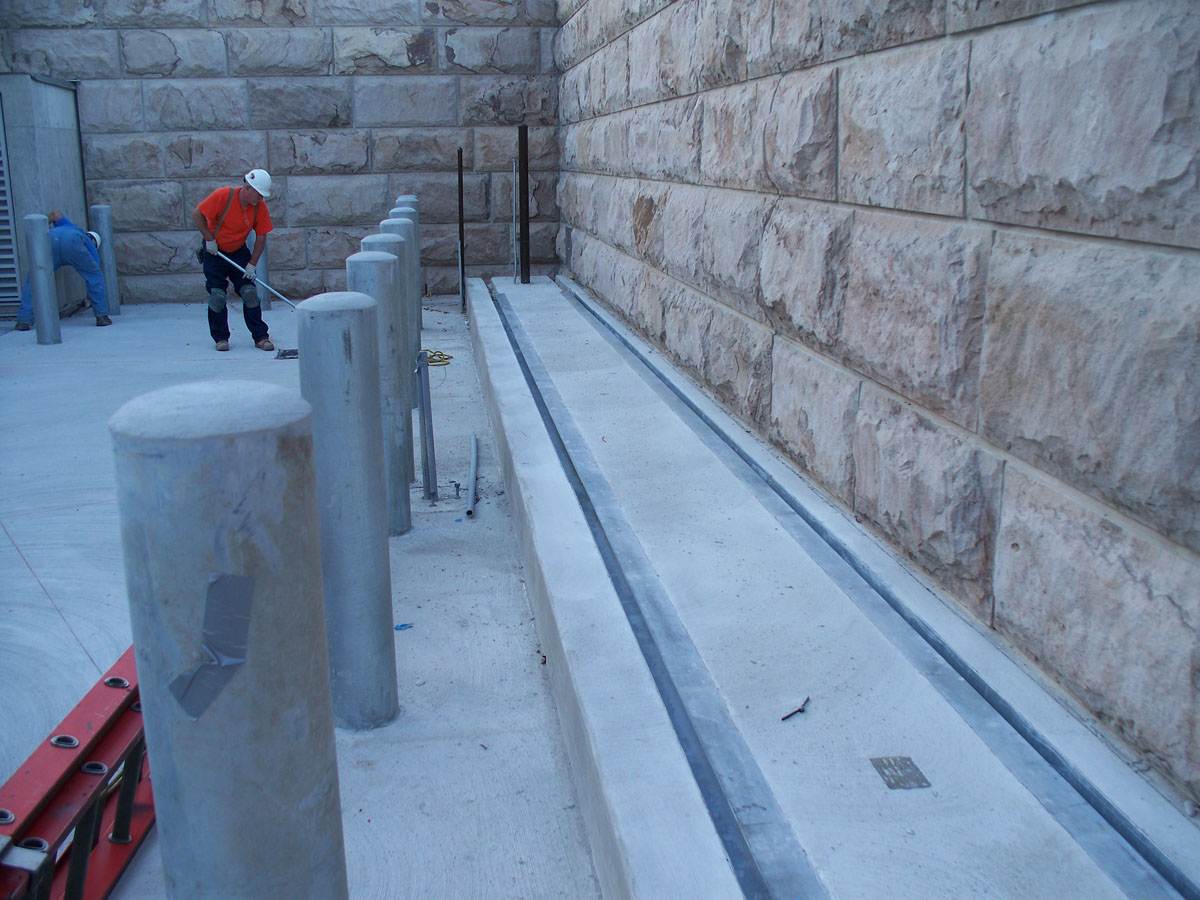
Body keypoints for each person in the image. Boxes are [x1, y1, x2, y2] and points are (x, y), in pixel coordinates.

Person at [191, 168, 275, 352]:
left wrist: (252, 264)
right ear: (248, 187)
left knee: (250, 293)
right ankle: (221, 337)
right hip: (215, 253)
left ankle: (261, 336)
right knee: (218, 295)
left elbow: (261, 237)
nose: (260, 199)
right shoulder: (223, 196)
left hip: (238, 251)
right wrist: (209, 239)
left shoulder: (259, 208)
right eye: (259, 194)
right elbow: (197, 215)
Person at [15, 211, 110, 330]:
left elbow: (55, 214)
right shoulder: (89, 246)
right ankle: (102, 317)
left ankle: (23, 321)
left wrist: (42, 227)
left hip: (49, 240)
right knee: (95, 277)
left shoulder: (69, 225)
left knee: (35, 280)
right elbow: (94, 278)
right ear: (94, 242)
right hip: (73, 242)